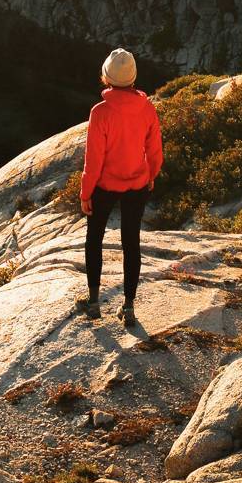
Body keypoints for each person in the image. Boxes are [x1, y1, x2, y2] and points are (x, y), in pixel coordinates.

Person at [77, 47, 163, 326]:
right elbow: (155, 149)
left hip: (104, 186)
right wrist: (151, 173)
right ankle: (128, 307)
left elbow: (93, 159)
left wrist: (86, 192)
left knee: (94, 239)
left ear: (106, 77)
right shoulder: (147, 108)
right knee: (131, 243)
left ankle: (93, 302)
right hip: (137, 184)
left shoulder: (100, 112)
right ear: (133, 77)